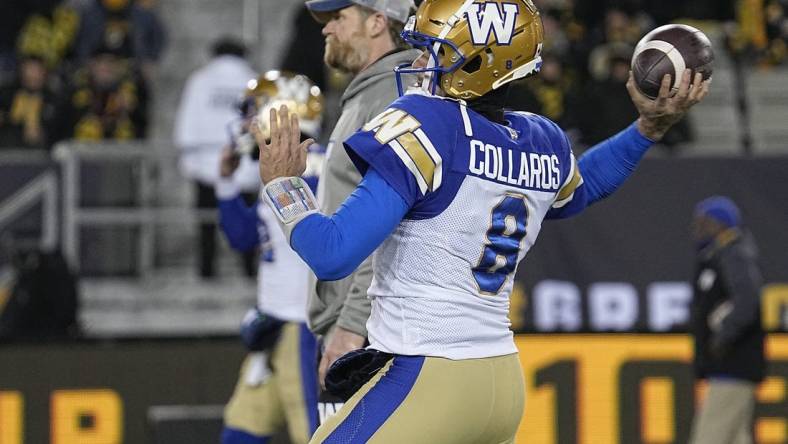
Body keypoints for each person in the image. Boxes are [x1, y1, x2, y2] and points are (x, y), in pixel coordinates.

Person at [256, 0, 709, 442]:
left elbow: (332, 253)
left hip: (429, 370)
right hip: (502, 378)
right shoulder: (541, 137)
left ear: (478, 61)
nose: (420, 59)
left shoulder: (427, 123)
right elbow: (584, 188)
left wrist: (283, 186)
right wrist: (646, 129)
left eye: (436, 48)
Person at [302, 0, 420, 418]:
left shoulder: (393, 96)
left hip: (371, 333)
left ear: (376, 23)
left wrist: (352, 325)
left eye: (337, 18)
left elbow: (393, 226)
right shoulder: (372, 92)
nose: (326, 29)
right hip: (363, 326)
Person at [218, 71, 324, 444]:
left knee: (314, 435)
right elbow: (243, 235)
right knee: (240, 432)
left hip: (304, 327)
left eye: (254, 111)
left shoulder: (317, 170)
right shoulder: (278, 173)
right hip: (275, 327)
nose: (247, 122)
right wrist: (226, 181)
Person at [173, 37, 257, 279]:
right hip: (244, 163)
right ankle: (249, 270)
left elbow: (186, 122)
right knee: (246, 219)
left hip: (205, 163)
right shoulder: (253, 80)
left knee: (206, 223)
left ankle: (207, 270)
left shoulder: (200, 80)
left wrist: (187, 159)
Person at [688, 196, 765, 444]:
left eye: (706, 223)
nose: (700, 228)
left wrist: (723, 336)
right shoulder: (721, 255)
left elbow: (747, 301)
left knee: (709, 437)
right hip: (729, 367)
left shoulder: (733, 254)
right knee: (735, 438)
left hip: (733, 364)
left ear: (721, 225)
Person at [0, 55, 56, 149]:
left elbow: (58, 130)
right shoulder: (8, 94)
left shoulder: (54, 99)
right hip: (6, 148)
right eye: (29, 70)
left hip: (41, 153)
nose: (33, 75)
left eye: (37, 70)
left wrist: (41, 132)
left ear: (45, 73)